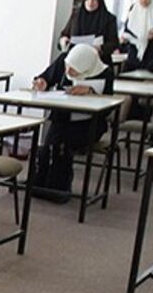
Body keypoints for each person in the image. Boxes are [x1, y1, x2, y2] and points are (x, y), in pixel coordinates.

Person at [29, 44, 115, 203]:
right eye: (67, 67)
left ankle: (58, 187)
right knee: (47, 146)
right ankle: (40, 184)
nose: (68, 72)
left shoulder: (105, 73)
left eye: (73, 70)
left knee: (61, 145)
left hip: (89, 124)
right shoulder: (64, 60)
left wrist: (91, 92)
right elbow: (45, 78)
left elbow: (108, 108)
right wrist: (42, 82)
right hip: (62, 118)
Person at [59, 0, 119, 64]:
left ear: (100, 1)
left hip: (97, 60)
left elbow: (114, 43)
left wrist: (100, 48)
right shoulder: (76, 16)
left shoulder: (109, 19)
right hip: (75, 58)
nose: (90, 2)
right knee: (61, 61)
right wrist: (63, 40)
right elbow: (64, 35)